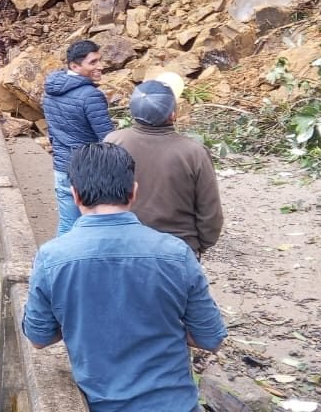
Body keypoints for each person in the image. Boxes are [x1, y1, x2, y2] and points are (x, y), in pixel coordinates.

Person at [22, 143, 227, 412]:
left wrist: (84, 324)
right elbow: (211, 338)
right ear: (133, 192)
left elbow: (38, 337)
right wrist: (162, 327)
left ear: (75, 195)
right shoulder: (176, 253)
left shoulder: (52, 258)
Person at [106, 77, 223, 257]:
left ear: (132, 111)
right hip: (178, 248)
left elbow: (100, 197)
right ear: (173, 114)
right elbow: (210, 211)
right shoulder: (194, 152)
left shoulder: (112, 142)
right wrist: (200, 245)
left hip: (124, 245)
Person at [41, 40, 114, 235]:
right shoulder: (90, 96)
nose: (100, 66)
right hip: (87, 170)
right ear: (75, 66)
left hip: (62, 168)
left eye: (99, 60)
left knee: (67, 225)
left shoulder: (50, 91)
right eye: (92, 62)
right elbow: (108, 138)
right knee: (93, 228)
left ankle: (58, 263)